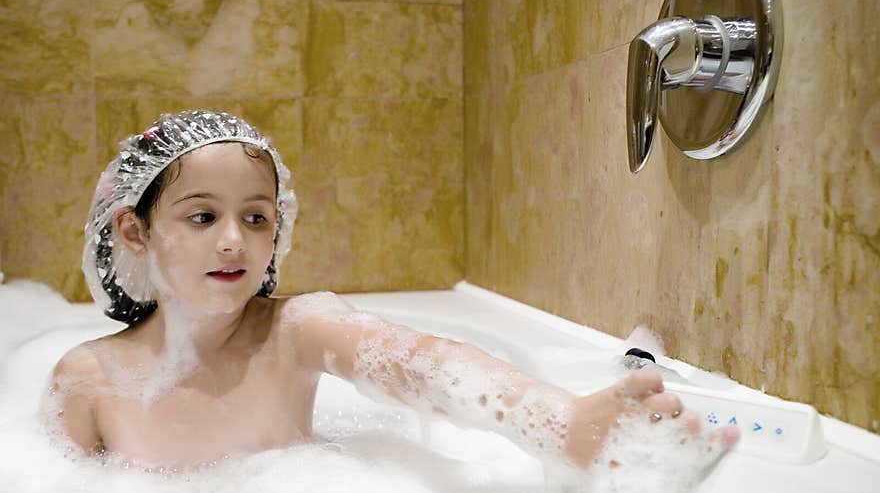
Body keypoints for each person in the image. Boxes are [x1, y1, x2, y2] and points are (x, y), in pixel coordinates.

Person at [45, 110, 739, 472]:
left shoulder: (294, 330)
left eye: (257, 216)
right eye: (203, 216)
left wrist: (561, 425)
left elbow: (422, 361)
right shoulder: (89, 380)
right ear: (133, 231)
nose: (235, 240)